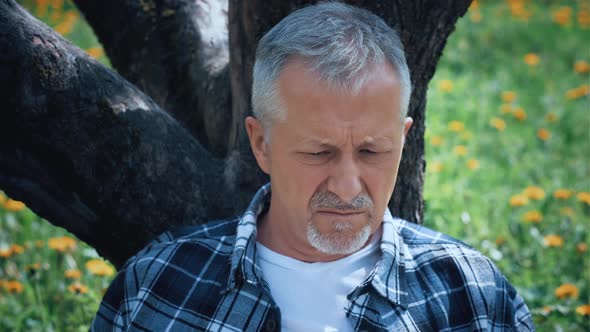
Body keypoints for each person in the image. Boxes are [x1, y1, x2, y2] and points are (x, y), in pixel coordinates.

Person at [91, 2, 534, 331]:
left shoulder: (474, 298)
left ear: (403, 139)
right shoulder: (153, 287)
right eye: (318, 153)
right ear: (261, 144)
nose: (346, 187)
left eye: (372, 152)